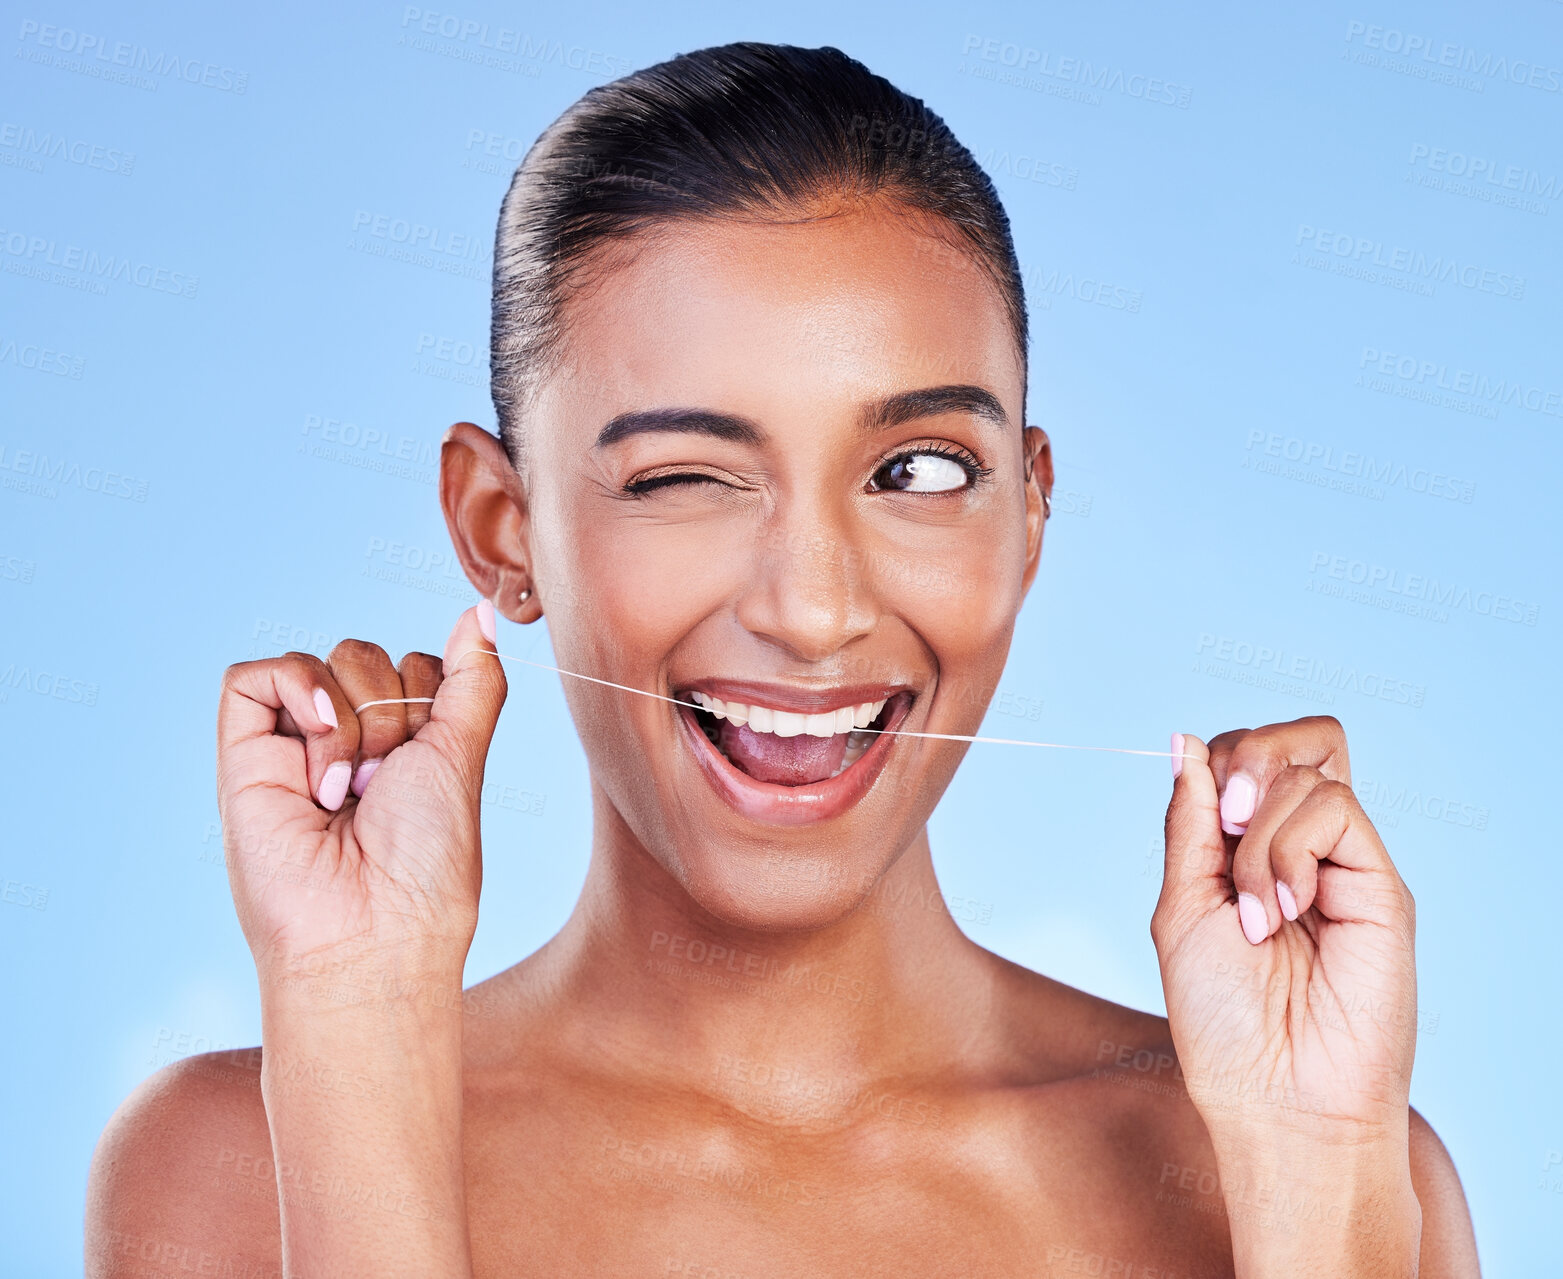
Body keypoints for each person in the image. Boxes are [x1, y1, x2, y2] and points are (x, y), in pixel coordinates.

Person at [86, 42, 1479, 1277]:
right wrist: (357, 1029)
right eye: (686, 477)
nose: (812, 612)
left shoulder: (1334, 1159)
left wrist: (1315, 1178)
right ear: (501, 531)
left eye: (920, 469)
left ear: (1031, 510)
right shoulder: (229, 1169)